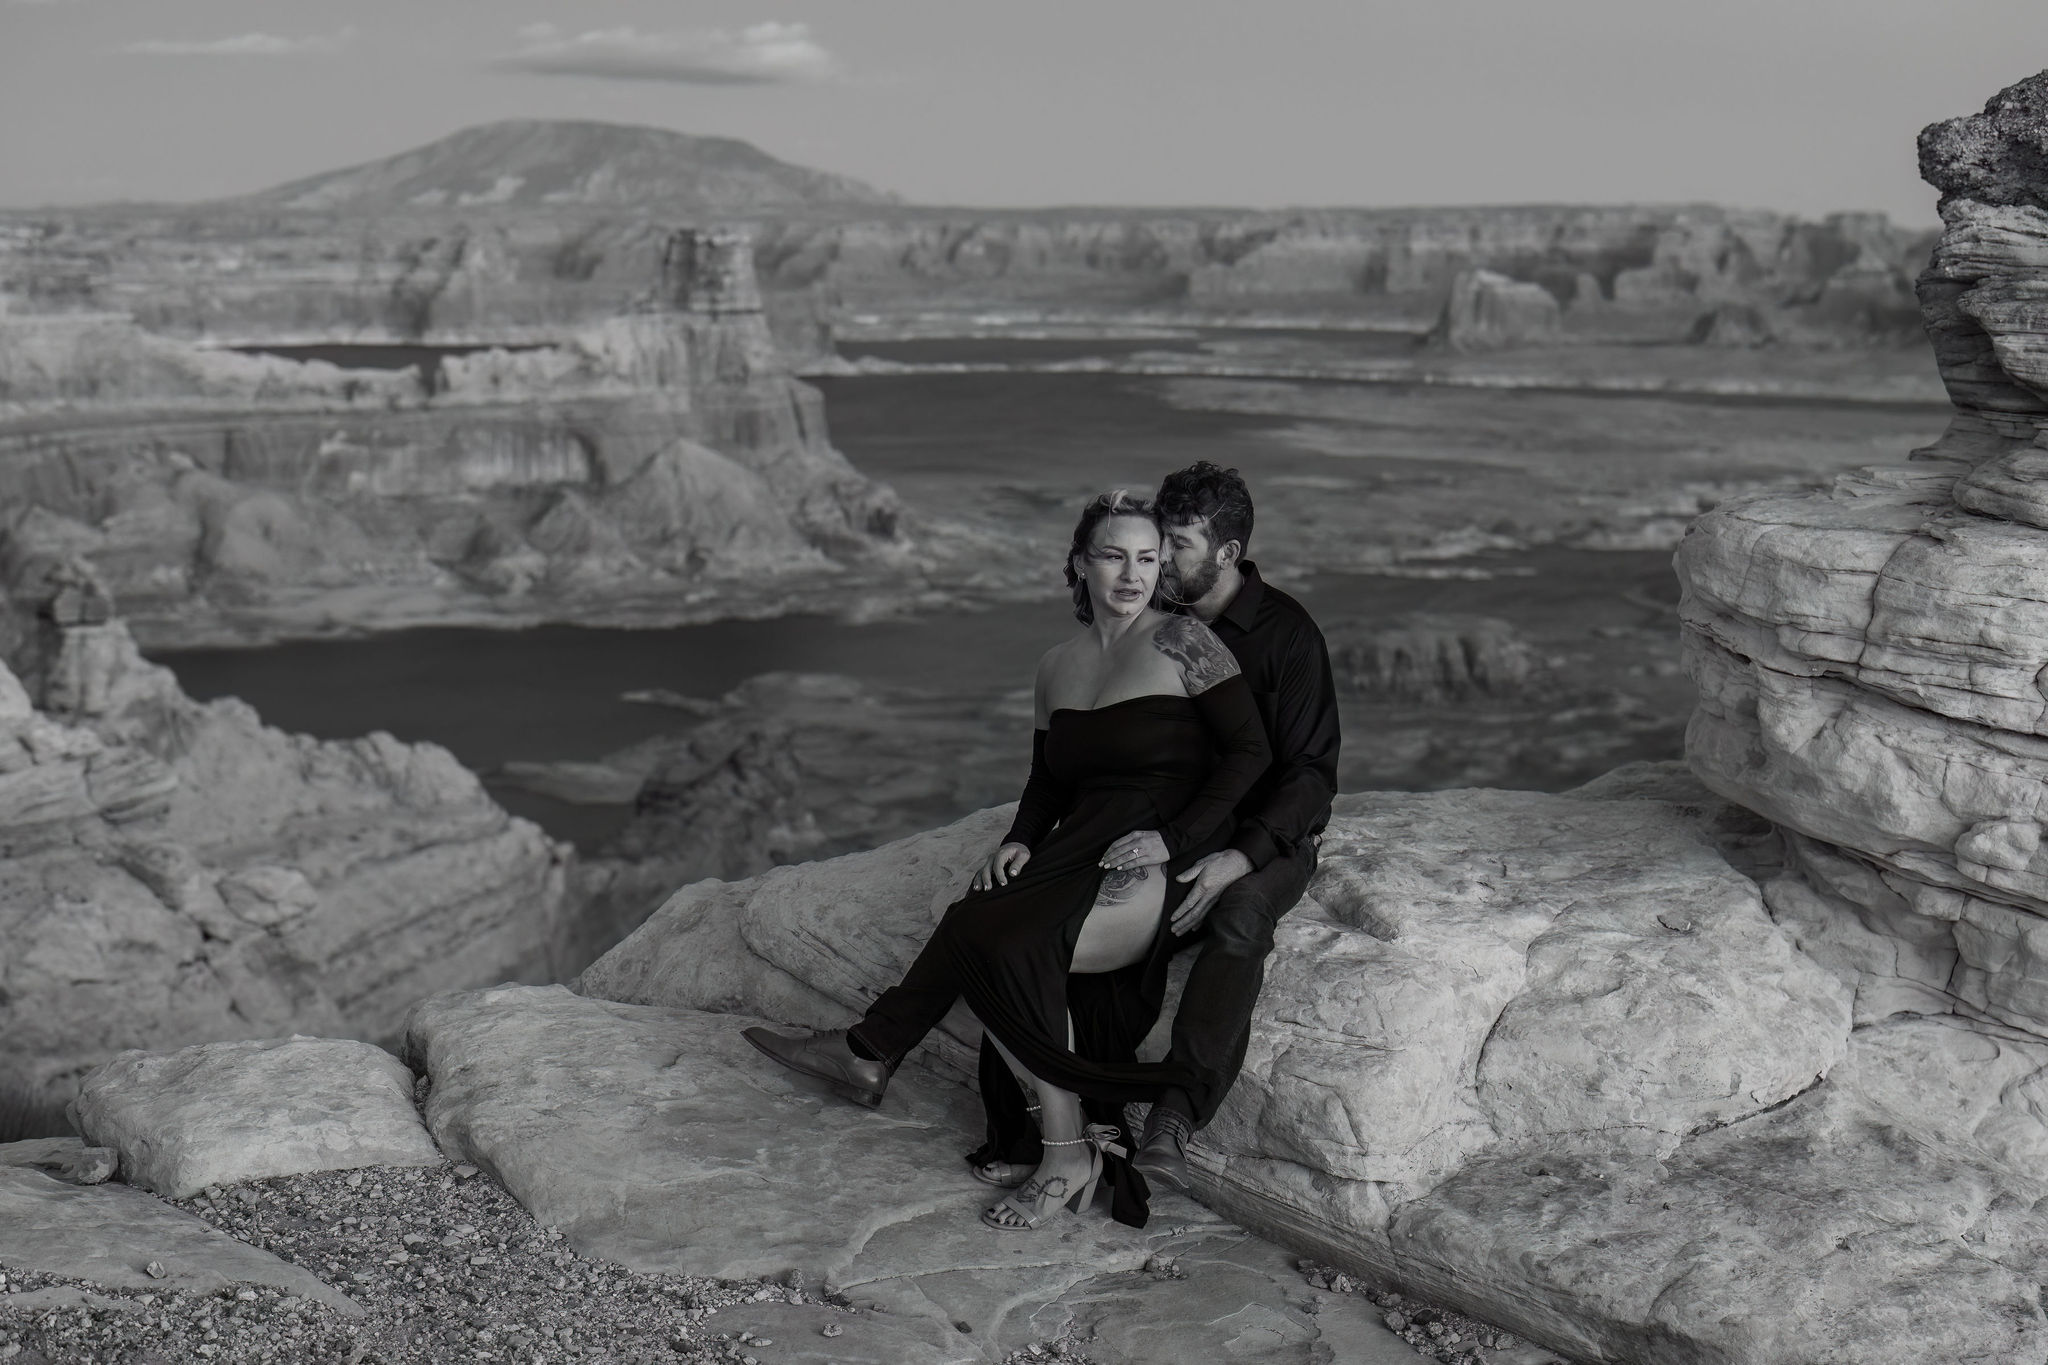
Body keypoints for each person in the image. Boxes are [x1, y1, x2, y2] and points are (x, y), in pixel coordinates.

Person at [746, 488, 1271, 1230]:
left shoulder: (1188, 642)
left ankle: (903, 1066)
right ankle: (897, 1068)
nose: (1133, 574)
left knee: (1006, 945)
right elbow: (1047, 779)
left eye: (1149, 558)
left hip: (1143, 854)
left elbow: (1252, 753)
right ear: (1080, 565)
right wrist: (1020, 836)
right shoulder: (1056, 665)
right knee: (976, 920)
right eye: (1114, 556)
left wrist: (1176, 841)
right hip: (1071, 846)